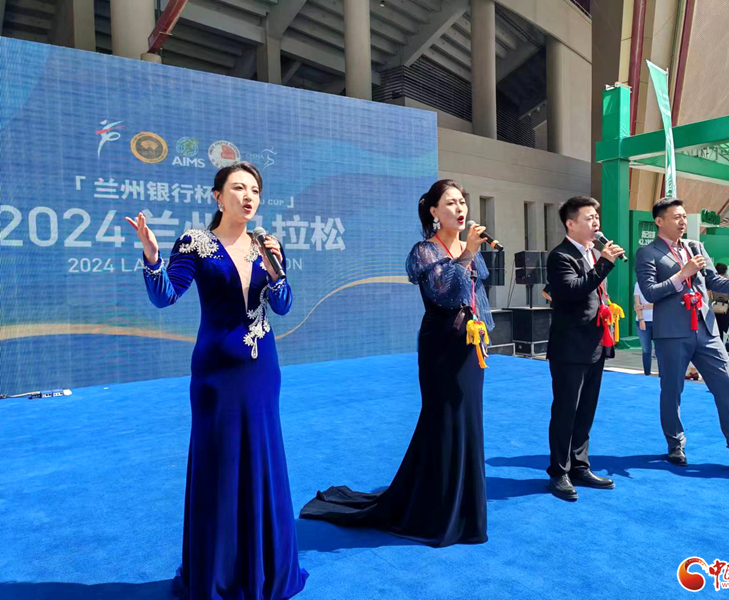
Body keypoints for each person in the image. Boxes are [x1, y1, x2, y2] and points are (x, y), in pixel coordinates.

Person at [125, 162, 308, 600]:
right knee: (219, 466)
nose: (249, 196)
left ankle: (264, 570)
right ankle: (219, 574)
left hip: (262, 372)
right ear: (218, 197)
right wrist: (152, 258)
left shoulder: (267, 244)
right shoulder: (196, 242)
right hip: (215, 376)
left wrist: (276, 269)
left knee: (262, 460)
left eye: (255, 190)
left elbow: (283, 305)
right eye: (239, 188)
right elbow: (165, 296)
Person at [300, 179, 493, 547]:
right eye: (450, 203)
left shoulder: (468, 247)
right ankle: (436, 511)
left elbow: (475, 293)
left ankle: (467, 512)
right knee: (442, 421)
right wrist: (467, 254)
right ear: (434, 211)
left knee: (469, 421)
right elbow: (445, 294)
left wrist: (482, 333)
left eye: (462, 202)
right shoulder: (425, 250)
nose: (459, 208)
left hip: (469, 345)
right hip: (440, 347)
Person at [635, 197, 729, 469]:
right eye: (676, 217)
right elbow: (650, 292)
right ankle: (675, 444)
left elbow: (713, 280)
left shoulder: (695, 246)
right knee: (672, 391)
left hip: (707, 329)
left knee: (727, 385)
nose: (682, 221)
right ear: (659, 221)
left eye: (684, 216)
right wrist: (682, 274)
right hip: (672, 333)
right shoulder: (648, 253)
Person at [545, 196, 624, 501]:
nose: (596, 223)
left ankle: (580, 465)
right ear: (570, 223)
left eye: (596, 218)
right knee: (566, 410)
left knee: (587, 409)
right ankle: (559, 471)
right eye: (589, 218)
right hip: (570, 346)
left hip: (595, 343)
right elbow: (573, 291)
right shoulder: (561, 256)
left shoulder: (591, 253)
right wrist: (604, 263)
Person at [633, 281, 655, 376]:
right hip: (642, 321)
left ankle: (662, 373)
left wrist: (642, 306)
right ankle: (647, 373)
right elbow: (636, 305)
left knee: (660, 349)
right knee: (646, 349)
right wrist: (641, 319)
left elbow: (659, 304)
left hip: (657, 321)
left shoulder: (659, 282)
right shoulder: (638, 284)